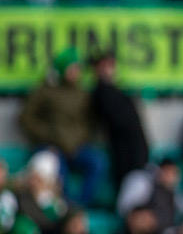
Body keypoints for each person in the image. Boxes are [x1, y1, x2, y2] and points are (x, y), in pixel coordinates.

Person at [18, 47, 108, 207]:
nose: (75, 72)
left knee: (97, 162)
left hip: (77, 148)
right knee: (58, 170)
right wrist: (47, 136)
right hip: (52, 147)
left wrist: (82, 139)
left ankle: (81, 206)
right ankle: (64, 207)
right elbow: (26, 119)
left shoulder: (82, 94)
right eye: (71, 68)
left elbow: (91, 122)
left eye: (77, 68)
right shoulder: (44, 91)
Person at [89, 49, 150, 189]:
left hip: (135, 151)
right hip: (124, 153)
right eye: (106, 65)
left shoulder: (117, 91)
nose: (110, 69)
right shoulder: (101, 93)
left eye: (111, 65)